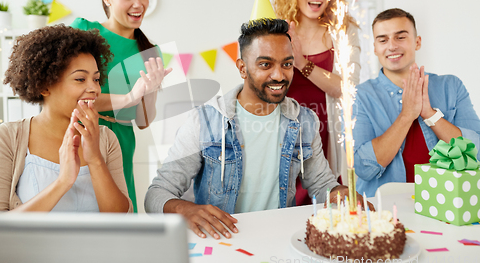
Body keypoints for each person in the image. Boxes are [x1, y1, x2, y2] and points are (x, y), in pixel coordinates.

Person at [146, 18, 372, 239]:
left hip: (277, 240)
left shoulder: (304, 121)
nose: (279, 75)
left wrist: (338, 193)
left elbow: (322, 184)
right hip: (222, 242)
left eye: (287, 64)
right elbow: (156, 194)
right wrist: (184, 209)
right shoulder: (204, 121)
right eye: (265, 64)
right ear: (242, 68)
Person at [0, 25, 132, 212]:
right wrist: (63, 182)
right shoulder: (5, 138)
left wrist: (95, 159)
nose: (94, 89)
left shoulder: (107, 139)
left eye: (96, 79)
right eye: (80, 79)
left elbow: (122, 219)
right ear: (44, 86)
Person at [71, 0, 171, 212]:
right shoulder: (84, 32)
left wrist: (148, 93)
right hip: (80, 135)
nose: (139, 4)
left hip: (121, 141)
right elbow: (72, 96)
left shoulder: (149, 51)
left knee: (119, 216)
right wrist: (128, 96)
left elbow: (143, 121)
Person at [353, 8, 480, 197]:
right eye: (383, 40)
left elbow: (475, 152)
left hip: (446, 202)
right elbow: (364, 168)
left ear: (417, 42)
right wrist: (406, 115)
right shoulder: (360, 96)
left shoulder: (451, 86)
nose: (392, 46)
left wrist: (429, 114)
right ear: (375, 48)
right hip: (387, 210)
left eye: (400, 37)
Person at [274, 0, 361, 205]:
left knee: (332, 210)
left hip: (328, 134)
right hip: (284, 134)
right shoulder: (278, 30)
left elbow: (347, 89)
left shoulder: (343, 31)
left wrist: (301, 62)